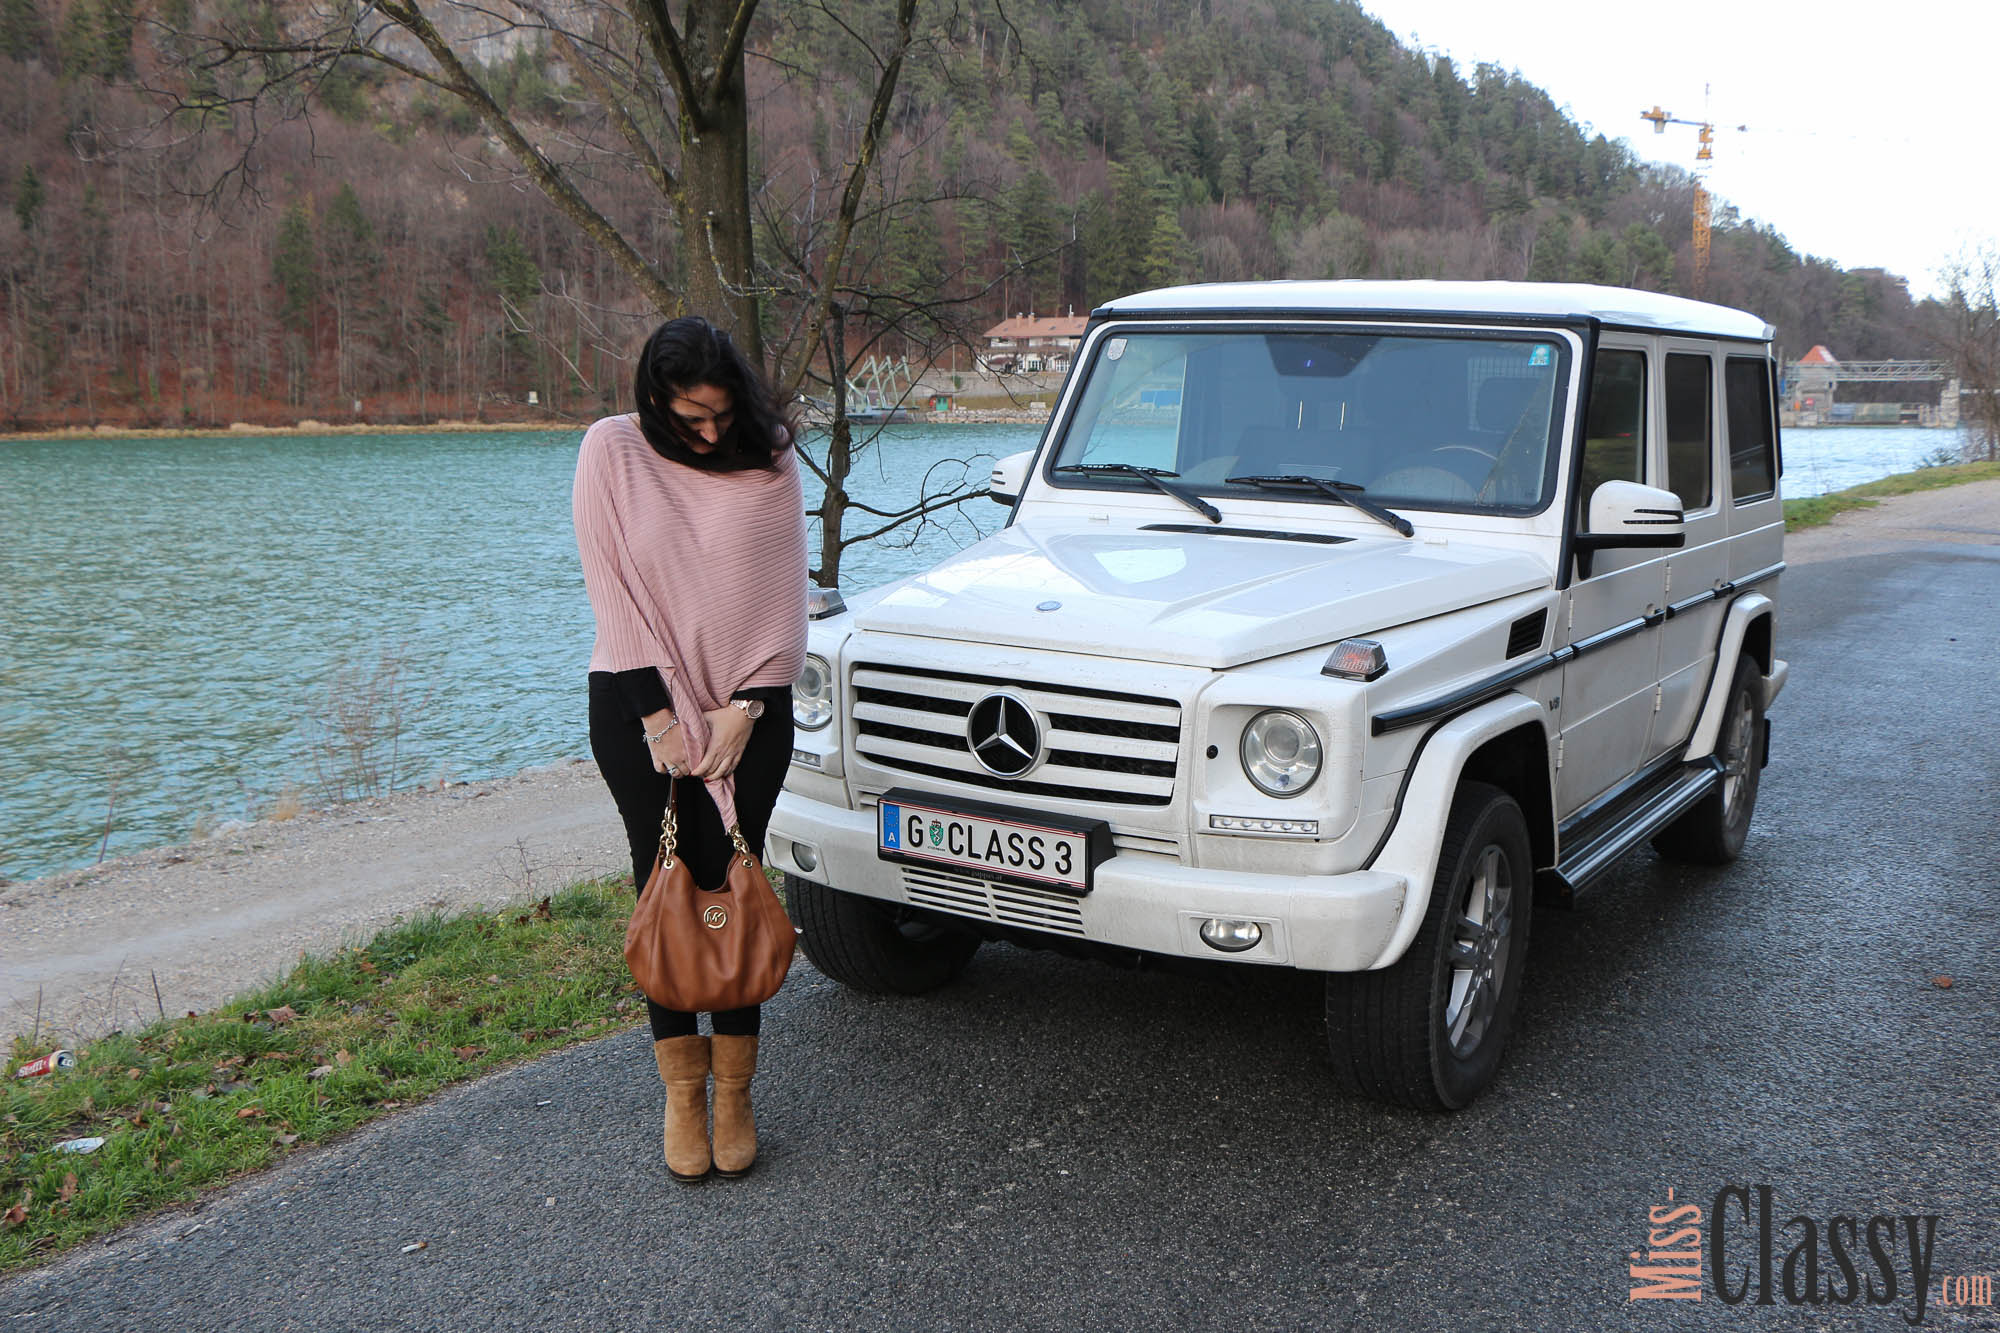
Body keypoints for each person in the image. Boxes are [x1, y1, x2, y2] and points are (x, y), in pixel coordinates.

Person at [572, 316, 807, 1181]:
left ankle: (736, 1092)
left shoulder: (771, 452)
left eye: (718, 415)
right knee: (666, 883)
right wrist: (661, 719)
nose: (707, 433)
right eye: (689, 418)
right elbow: (612, 589)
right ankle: (682, 1095)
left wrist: (747, 705)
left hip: (753, 707)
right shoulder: (613, 450)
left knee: (735, 883)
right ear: (653, 402)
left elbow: (785, 595)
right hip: (641, 710)